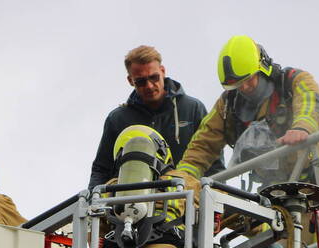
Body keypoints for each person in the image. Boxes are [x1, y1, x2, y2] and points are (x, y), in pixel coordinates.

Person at [175, 35, 319, 248]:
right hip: (275, 196)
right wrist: (181, 179)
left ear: (263, 67)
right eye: (238, 85)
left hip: (317, 190)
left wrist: (301, 127)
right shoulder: (228, 104)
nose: (246, 87)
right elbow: (202, 146)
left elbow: (309, 103)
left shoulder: (293, 81)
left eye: (250, 79)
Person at [88, 45, 222, 189]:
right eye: (141, 81)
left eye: (154, 77)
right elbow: (101, 170)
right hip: (130, 204)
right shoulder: (118, 119)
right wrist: (92, 203)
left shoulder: (192, 108)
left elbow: (214, 163)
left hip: (184, 201)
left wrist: (217, 204)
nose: (150, 86)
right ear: (130, 80)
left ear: (163, 71)